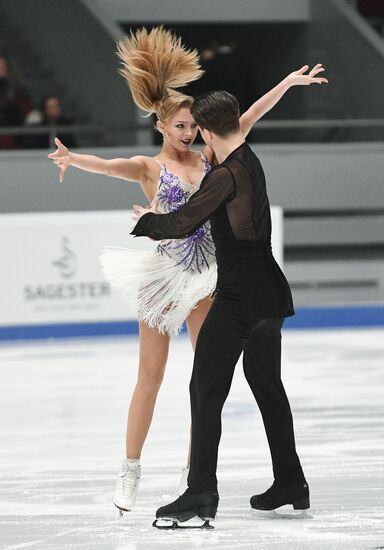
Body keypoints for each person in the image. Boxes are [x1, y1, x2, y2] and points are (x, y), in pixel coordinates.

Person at [48, 26, 327, 515]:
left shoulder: (214, 161)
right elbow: (109, 166)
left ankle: (195, 475)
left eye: (193, 127)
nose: (189, 133)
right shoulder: (157, 165)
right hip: (167, 277)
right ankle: (132, 470)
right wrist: (74, 157)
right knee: (155, 376)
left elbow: (243, 122)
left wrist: (284, 86)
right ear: (161, 127)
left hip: (209, 278)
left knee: (207, 379)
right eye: (180, 126)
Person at [131, 89, 328, 528]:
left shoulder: (222, 177)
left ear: (204, 128)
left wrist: (145, 221)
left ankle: (200, 490)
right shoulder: (247, 160)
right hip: (270, 292)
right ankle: (291, 482)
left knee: (205, 391)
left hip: (238, 295)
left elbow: (183, 222)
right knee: (268, 389)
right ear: (235, 122)